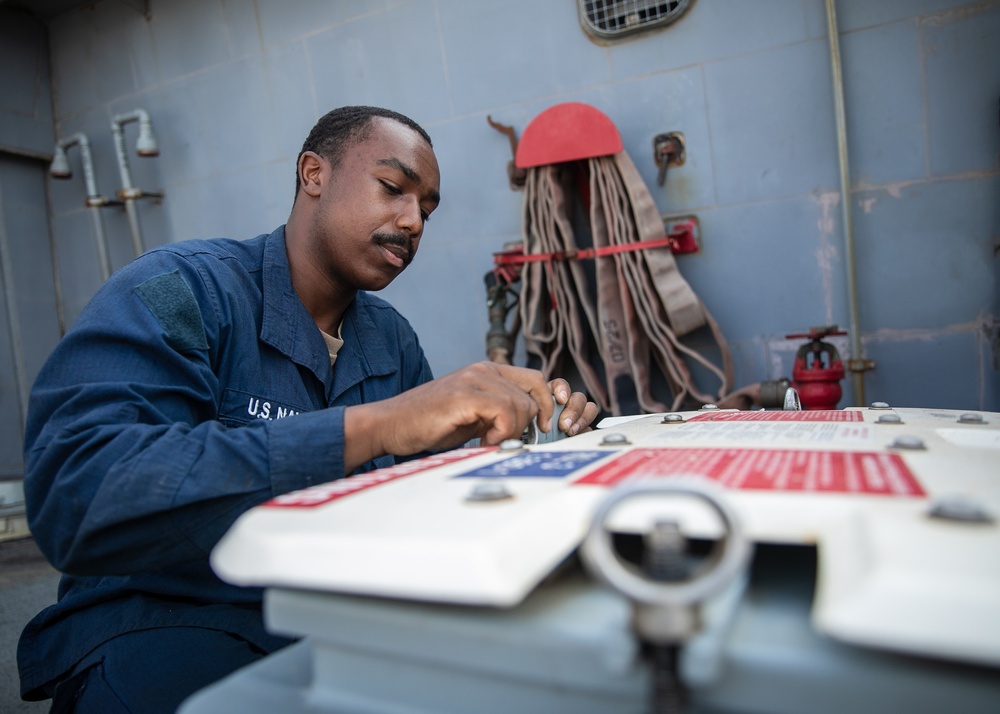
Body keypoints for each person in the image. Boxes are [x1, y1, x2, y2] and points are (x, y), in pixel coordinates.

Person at [19, 105, 600, 713]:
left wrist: (538, 439)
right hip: (167, 619)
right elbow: (76, 491)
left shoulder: (391, 339)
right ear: (313, 174)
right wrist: (377, 426)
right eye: (393, 188)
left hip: (333, 618)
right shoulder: (183, 289)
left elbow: (424, 498)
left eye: (426, 210)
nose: (413, 221)